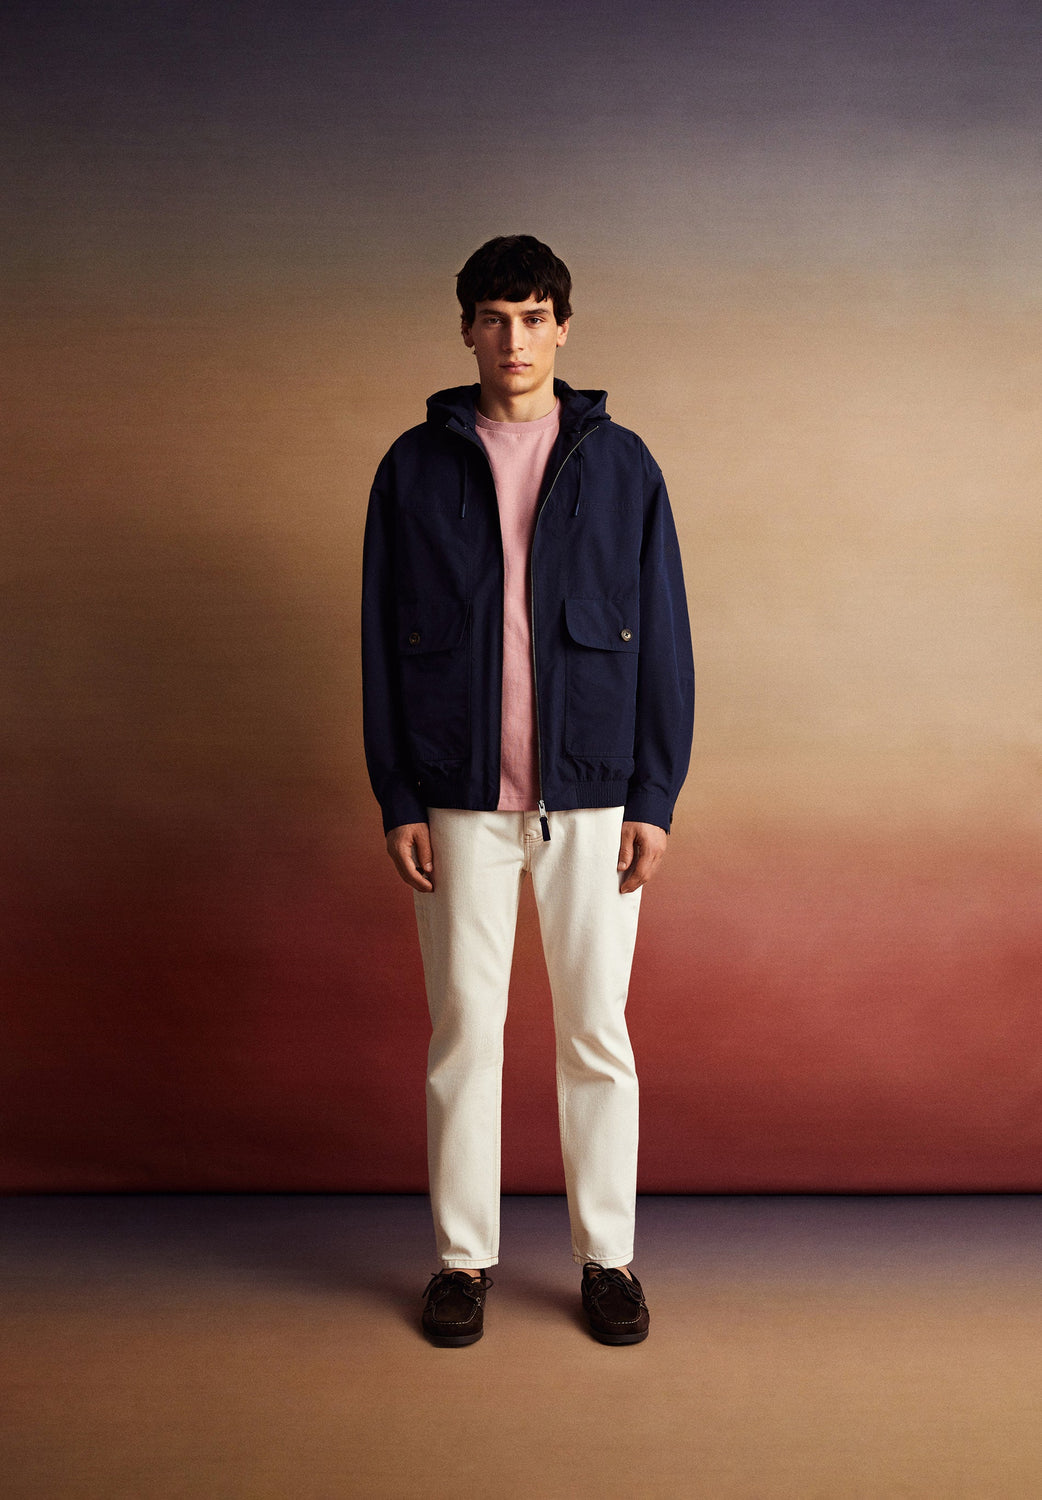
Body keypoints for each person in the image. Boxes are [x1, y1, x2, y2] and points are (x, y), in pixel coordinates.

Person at [361, 235, 694, 1346]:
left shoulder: (623, 466)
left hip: (593, 798)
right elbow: (378, 642)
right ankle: (462, 1262)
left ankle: (608, 1260)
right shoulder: (413, 467)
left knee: (596, 1031)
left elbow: (664, 641)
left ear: (563, 327)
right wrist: (397, 794)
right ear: (465, 329)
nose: (514, 338)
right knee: (465, 1032)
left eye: (534, 316)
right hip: (457, 798)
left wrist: (654, 795)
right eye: (494, 317)